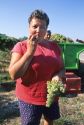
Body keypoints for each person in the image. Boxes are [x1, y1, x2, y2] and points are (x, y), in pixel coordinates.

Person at [8, 9, 65, 125]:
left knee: (49, 120)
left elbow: (62, 68)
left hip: (51, 96)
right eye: (35, 26)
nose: (38, 30)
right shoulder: (21, 46)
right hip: (29, 99)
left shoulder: (55, 46)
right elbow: (13, 74)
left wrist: (58, 75)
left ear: (46, 29)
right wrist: (30, 52)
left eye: (43, 27)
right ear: (29, 27)